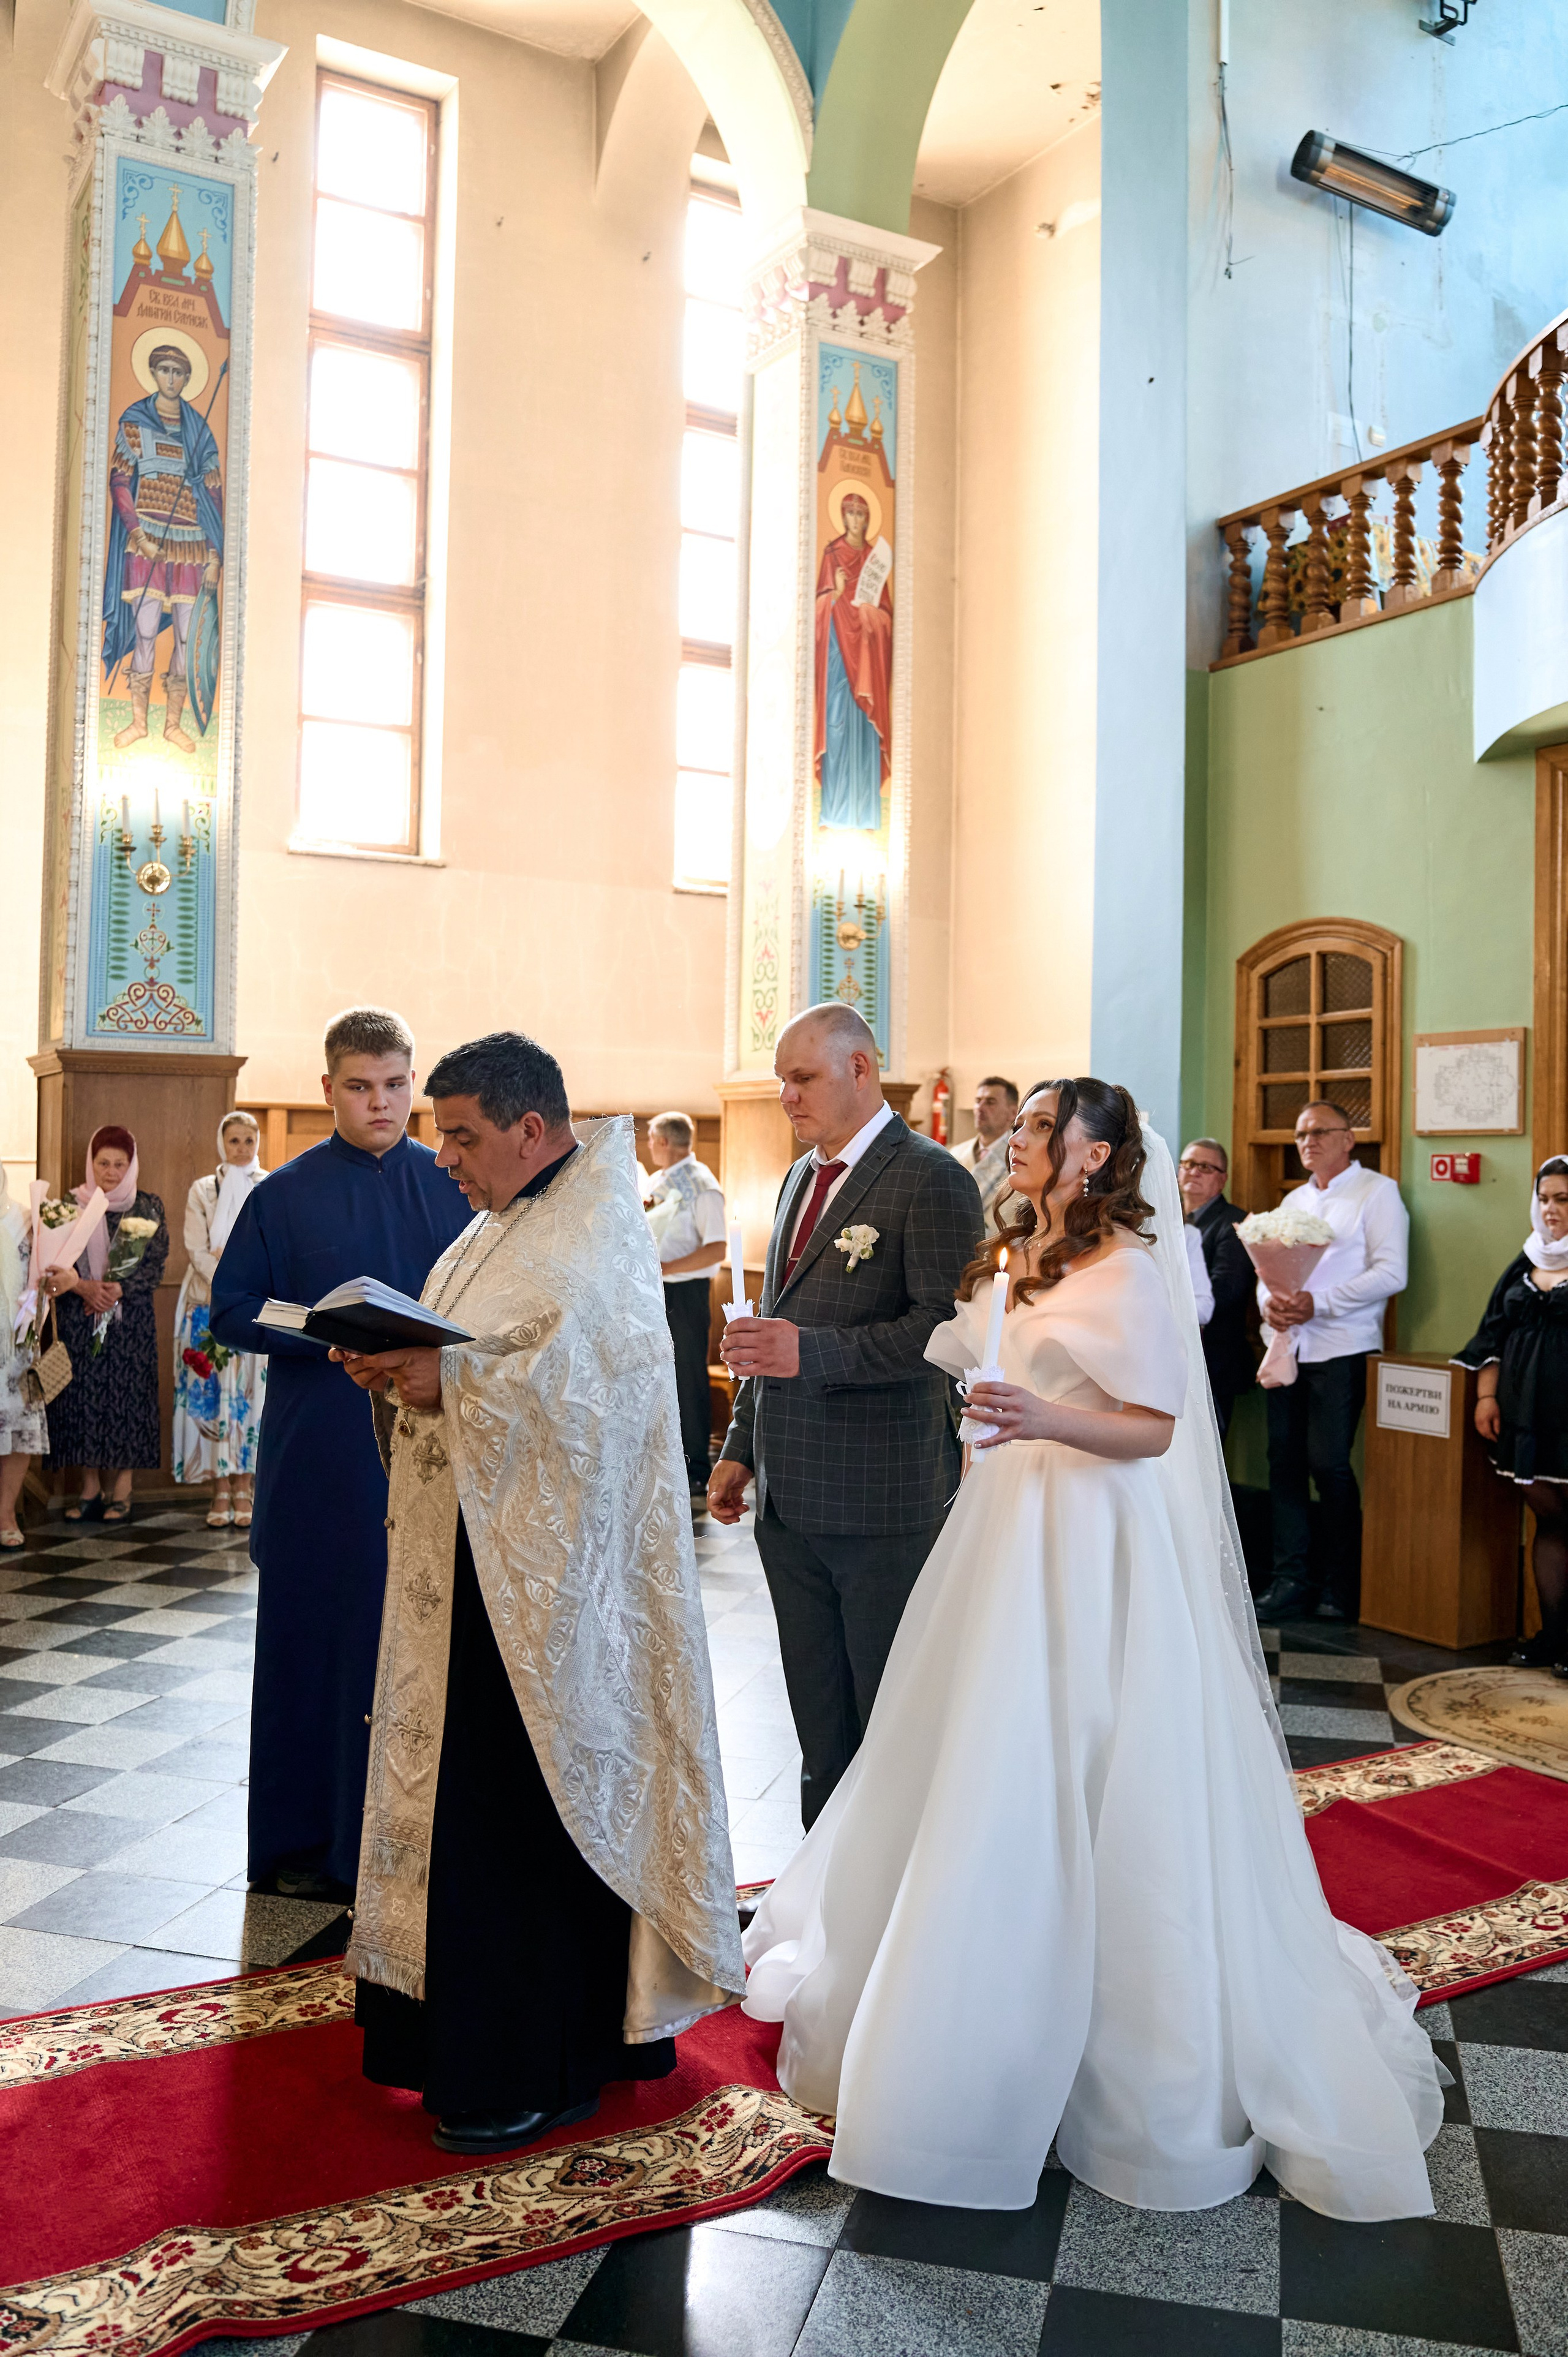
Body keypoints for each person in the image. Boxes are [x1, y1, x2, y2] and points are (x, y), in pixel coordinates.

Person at [743, 1079, 1442, 2220]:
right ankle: (960, 2002)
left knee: (1085, 1747)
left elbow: (1155, 1426)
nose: (1017, 1138)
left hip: (1087, 1533)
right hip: (1004, 1523)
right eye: (1019, 1124)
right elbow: (954, 1338)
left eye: (1036, 1126)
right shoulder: (1025, 1249)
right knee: (980, 1749)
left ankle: (1110, 2037)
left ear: (1097, 1151)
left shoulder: (1125, 1270)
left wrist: (1043, 1416)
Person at [333, 1032, 743, 2155]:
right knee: (469, 1807)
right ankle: (455, 2040)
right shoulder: (499, 1222)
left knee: (518, 1819)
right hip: (471, 1569)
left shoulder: (600, 1232)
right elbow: (484, 1358)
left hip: (554, 1609)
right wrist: (400, 1372)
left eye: (461, 1135)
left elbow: (593, 1401)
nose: (446, 1158)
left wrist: (447, 1381)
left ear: (529, 1127)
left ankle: (538, 2059)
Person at [210, 1007, 470, 1901]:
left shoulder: (451, 1185)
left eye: (397, 1085)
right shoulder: (281, 1193)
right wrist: (317, 1334)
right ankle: (304, 1843)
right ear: (328, 1090)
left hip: (430, 1442)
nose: (382, 1103)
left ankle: (419, 1840)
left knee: (421, 1640)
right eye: (361, 1087)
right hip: (319, 1450)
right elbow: (232, 1308)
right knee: (313, 1643)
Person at [711, 1004, 985, 1828]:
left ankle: (891, 1896)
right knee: (819, 1718)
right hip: (791, 1496)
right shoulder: (802, 1176)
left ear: (861, 1069)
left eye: (804, 1079)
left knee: (889, 1716)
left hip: (882, 1498)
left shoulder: (932, 1178)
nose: (788, 1097)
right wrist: (741, 1444)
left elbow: (946, 1334)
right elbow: (776, 1322)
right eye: (782, 1080)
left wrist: (812, 1354)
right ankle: (820, 1888)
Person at [1253, 1102, 1408, 1625]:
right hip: (1290, 1346)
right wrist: (1268, 1304)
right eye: (1300, 1135)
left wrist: (1323, 1302)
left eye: (1320, 1132)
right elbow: (1265, 1272)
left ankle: (1342, 1587)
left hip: (1343, 1347)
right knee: (1284, 1463)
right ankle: (1290, 1579)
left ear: (1349, 1139)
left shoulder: (1377, 1193)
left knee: (1330, 1464)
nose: (1308, 1142)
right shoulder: (1294, 1199)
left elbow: (1392, 1273)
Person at [1454, 1155, 1568, 1677]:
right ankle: (1554, 1638)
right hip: (1525, 1418)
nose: (1551, 1209)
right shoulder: (1525, 1260)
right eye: (1544, 1198)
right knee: (1551, 1522)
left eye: (1563, 1199)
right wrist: (1486, 1398)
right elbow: (1492, 1335)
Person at [43, 1126, 168, 1524]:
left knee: (128, 1400)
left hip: (129, 1321)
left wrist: (115, 1290)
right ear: (91, 1163)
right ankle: (90, 1487)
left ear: (131, 1166)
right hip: (80, 1317)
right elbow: (53, 1264)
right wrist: (85, 1288)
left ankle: (124, 1487)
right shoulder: (69, 1207)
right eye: (103, 1163)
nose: (111, 1172)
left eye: (120, 1164)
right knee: (84, 1401)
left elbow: (155, 1266)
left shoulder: (147, 1207)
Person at [103, 339, 222, 755]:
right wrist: (136, 534)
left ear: (188, 379)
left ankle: (173, 722)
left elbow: (213, 496)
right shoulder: (135, 422)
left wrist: (214, 555)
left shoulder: (199, 430)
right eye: (164, 370)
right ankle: (139, 722)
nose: (171, 379)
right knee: (146, 629)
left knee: (189, 638)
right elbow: (120, 481)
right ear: (154, 374)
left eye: (179, 372)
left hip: (190, 542)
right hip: (149, 539)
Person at [173, 1112, 268, 1527]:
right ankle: (219, 1490)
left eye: (249, 1140)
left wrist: (235, 1272)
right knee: (210, 1398)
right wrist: (230, 1279)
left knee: (248, 1399)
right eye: (234, 1141)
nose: (242, 1148)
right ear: (222, 1143)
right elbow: (196, 1248)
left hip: (254, 1308)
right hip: (207, 1305)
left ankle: (245, 1487)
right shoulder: (203, 1190)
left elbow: (269, 1248)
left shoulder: (268, 1186)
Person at [644, 1111, 726, 1504]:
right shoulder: (657, 1181)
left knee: (687, 1377)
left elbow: (717, 1247)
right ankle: (663, 1461)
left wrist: (666, 1267)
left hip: (686, 1292)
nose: (649, 1146)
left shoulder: (703, 1186)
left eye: (650, 1139)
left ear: (663, 1142)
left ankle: (696, 1469)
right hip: (653, 1292)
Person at [815, 486, 892, 828]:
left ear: (868, 519)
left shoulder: (876, 560)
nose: (856, 520)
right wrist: (838, 595)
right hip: (836, 657)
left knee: (864, 732)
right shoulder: (832, 555)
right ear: (843, 516)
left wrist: (871, 615)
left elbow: (888, 618)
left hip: (868, 660)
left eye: (862, 514)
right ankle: (834, 812)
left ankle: (864, 815)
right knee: (837, 725)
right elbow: (818, 611)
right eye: (850, 513)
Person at [1179, 1136, 1256, 1437]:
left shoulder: (1235, 1223)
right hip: (1176, 1354)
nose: (1194, 1172)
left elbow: (1227, 1290)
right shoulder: (1164, 1220)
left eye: (1205, 1167)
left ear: (1222, 1179)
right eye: (1188, 1164)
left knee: (1208, 1448)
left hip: (1215, 1356)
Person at [0, 1165, 46, 1549]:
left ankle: (6, 1514)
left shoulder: (24, 1218)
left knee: (18, 1431)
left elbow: (42, 1276)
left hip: (16, 1340)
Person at [948, 1076, 1018, 1226]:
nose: (981, 1108)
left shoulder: (1020, 1157)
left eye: (990, 1102)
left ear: (1013, 1113)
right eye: (978, 1101)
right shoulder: (954, 1154)